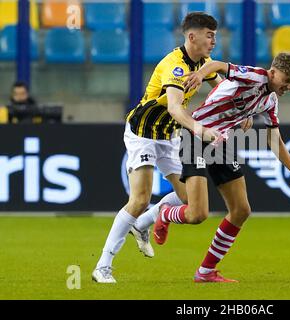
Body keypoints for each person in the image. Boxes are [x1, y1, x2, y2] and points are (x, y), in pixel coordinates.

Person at [92, 12, 237, 283]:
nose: (214, 41)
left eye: (215, 35)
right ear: (192, 37)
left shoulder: (203, 62)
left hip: (169, 135)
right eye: (210, 35)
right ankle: (103, 265)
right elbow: (174, 108)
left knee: (188, 201)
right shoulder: (176, 66)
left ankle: (143, 224)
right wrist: (199, 128)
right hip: (143, 133)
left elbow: (222, 90)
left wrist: (241, 109)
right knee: (140, 199)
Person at [151, 52, 290, 282]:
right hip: (195, 136)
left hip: (220, 143)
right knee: (197, 214)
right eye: (287, 80)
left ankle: (205, 271)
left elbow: (274, 140)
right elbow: (217, 65)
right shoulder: (254, 76)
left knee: (241, 210)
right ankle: (165, 213)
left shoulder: (271, 101)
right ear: (273, 72)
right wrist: (199, 75)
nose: (289, 86)